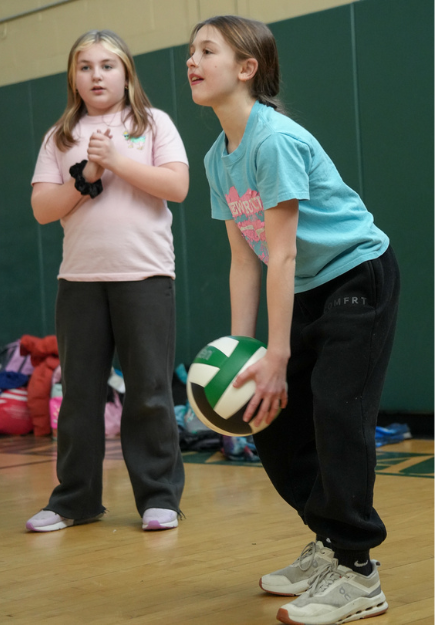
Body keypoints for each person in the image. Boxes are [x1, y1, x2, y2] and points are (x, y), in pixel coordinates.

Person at [187, 15, 398, 625]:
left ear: (246, 68)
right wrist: (241, 351)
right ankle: (330, 542)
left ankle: (358, 573)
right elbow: (244, 260)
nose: (192, 62)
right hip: (304, 287)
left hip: (356, 277)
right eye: (190, 52)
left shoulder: (272, 140)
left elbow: (280, 253)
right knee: (271, 422)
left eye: (207, 50)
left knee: (337, 415)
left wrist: (277, 355)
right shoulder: (218, 158)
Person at [25, 29, 189, 533]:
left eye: (107, 65)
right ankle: (75, 500)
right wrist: (88, 174)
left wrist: (118, 160)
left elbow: (177, 185)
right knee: (78, 394)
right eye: (85, 66)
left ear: (126, 74)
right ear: (73, 78)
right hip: (79, 279)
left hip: (145, 275)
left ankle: (159, 498)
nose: (96, 75)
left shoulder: (154, 123)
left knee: (149, 391)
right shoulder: (59, 136)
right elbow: (42, 209)